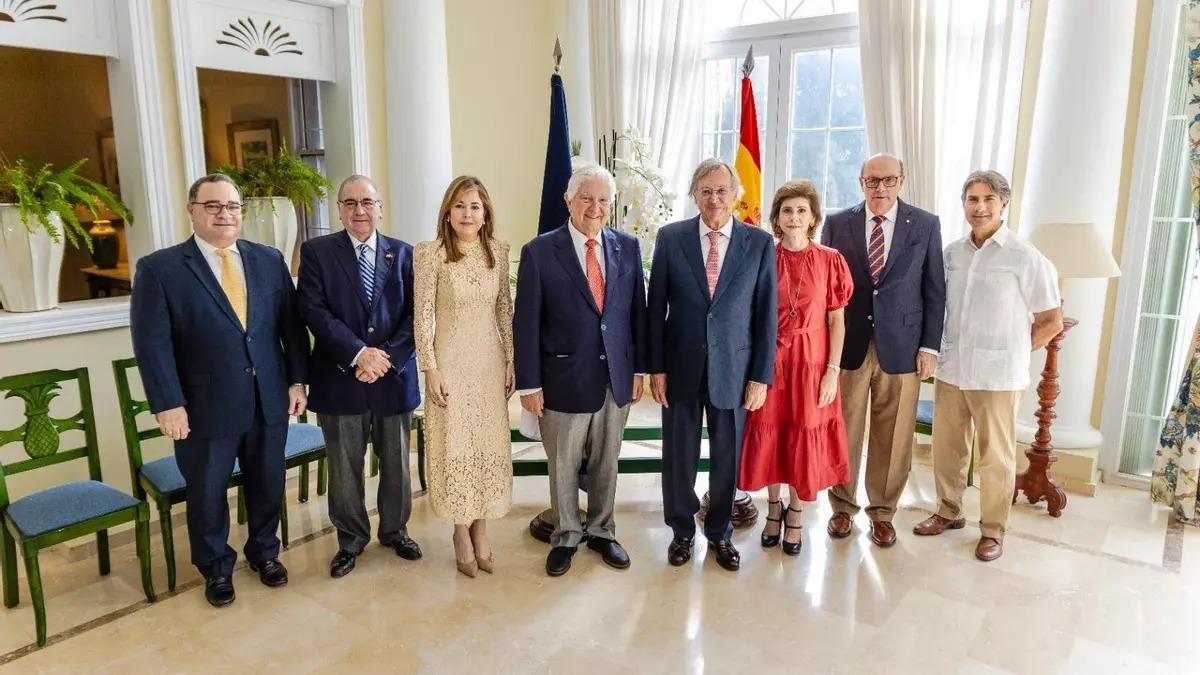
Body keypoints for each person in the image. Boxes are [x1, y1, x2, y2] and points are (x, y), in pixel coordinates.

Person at [131, 173, 309, 607]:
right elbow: (152, 345)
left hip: (268, 397)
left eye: (231, 206)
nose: (224, 214)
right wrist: (168, 404)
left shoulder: (269, 259)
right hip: (203, 406)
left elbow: (290, 327)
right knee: (207, 492)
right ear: (192, 211)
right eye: (212, 206)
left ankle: (265, 553)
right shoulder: (160, 269)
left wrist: (297, 380)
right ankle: (215, 568)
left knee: (267, 483)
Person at [913, 170, 1062, 562]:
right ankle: (948, 510)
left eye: (988, 200)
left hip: (998, 376)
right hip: (952, 369)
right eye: (972, 199)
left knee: (996, 457)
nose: (979, 207)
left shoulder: (1024, 256)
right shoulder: (951, 254)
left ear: (1003, 204)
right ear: (964, 204)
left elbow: (1051, 321)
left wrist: (1014, 350)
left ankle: (993, 529)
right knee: (947, 449)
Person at [514, 163, 647, 577]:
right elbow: (526, 322)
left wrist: (639, 369)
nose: (595, 207)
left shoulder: (627, 246)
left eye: (603, 200)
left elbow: (637, 314)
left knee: (608, 461)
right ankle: (567, 535)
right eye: (587, 198)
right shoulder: (539, 251)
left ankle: (603, 531)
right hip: (562, 379)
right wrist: (529, 384)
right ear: (568, 200)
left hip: (615, 378)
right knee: (563, 465)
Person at [648, 158, 777, 572]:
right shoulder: (671, 238)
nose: (714, 199)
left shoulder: (759, 243)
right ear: (694, 195)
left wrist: (760, 376)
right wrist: (656, 368)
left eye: (722, 191)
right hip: (680, 368)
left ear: (736, 195)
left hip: (735, 372)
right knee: (679, 458)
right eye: (705, 191)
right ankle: (681, 531)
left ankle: (720, 532)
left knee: (727, 458)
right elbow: (655, 310)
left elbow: (766, 316)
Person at [297, 175, 423, 580]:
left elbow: (417, 315)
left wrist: (385, 358)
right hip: (339, 379)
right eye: (350, 203)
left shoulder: (403, 254)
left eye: (367, 202)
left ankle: (395, 531)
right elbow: (314, 310)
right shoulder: (316, 253)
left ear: (380, 207)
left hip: (392, 378)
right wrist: (358, 354)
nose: (359, 211)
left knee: (397, 464)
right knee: (344, 467)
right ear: (339, 210)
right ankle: (350, 541)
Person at [820, 153, 946, 548]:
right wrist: (825, 352)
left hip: (904, 348)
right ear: (861, 182)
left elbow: (935, 289)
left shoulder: (925, 224)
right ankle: (842, 507)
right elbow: (825, 292)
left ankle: (882, 513)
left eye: (888, 180)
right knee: (844, 429)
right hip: (849, 346)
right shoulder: (837, 223)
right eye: (872, 180)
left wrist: (929, 346)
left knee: (893, 437)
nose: (880, 188)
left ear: (901, 182)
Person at [738, 180, 853, 556]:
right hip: (770, 360)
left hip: (812, 361)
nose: (794, 217)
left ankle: (797, 513)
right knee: (771, 433)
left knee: (803, 432)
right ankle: (773, 509)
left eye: (802, 210)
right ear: (776, 217)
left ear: (813, 217)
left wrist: (832, 371)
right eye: (787, 210)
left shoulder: (830, 260)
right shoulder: (763, 257)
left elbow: (837, 321)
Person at [414, 175, 515, 578]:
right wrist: (430, 367)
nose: (467, 214)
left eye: (475, 206)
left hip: (489, 363)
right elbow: (422, 316)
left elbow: (504, 310)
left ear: (485, 213)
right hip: (450, 365)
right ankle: (460, 531)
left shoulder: (498, 252)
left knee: (487, 445)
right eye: (459, 206)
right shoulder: (431, 254)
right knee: (455, 445)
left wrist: (511, 360)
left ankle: (481, 529)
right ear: (447, 212)